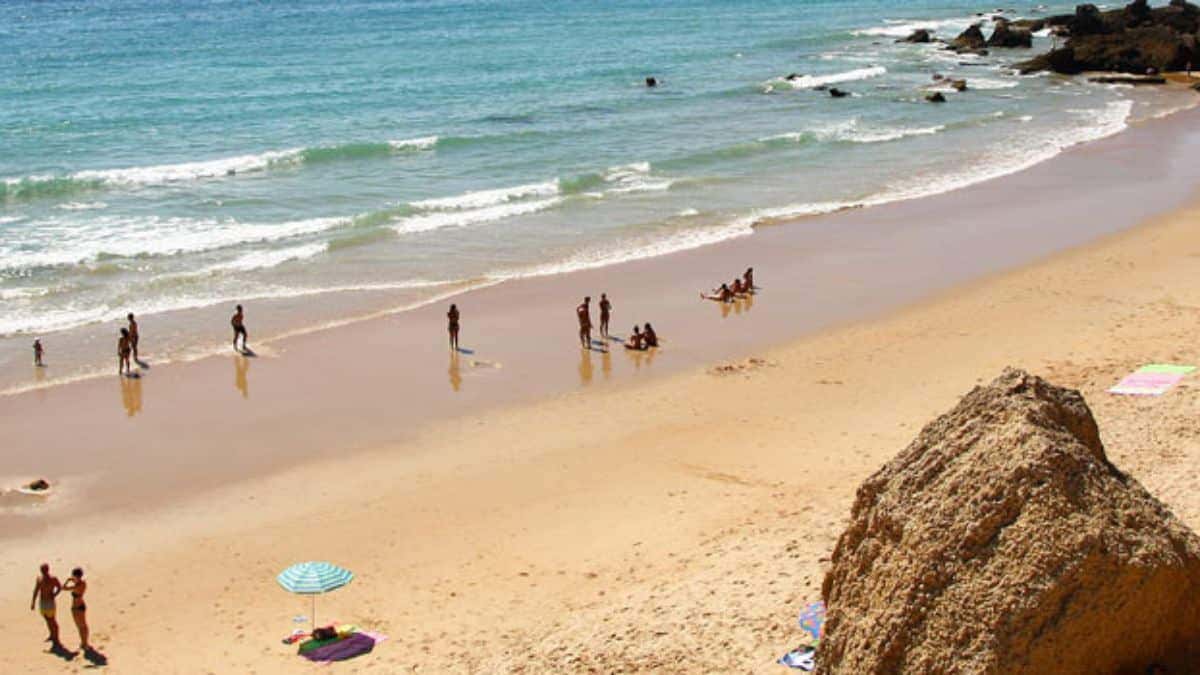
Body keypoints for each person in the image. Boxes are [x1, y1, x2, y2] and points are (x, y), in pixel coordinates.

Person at [30, 563, 61, 647]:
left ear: (48, 569)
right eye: (42, 570)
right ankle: (52, 635)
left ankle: (56, 638)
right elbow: (36, 590)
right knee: (47, 619)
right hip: (42, 602)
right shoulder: (39, 579)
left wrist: (54, 594)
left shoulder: (53, 578)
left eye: (44, 570)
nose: (43, 571)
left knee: (52, 620)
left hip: (50, 602)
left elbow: (59, 587)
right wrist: (33, 602)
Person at [61, 567, 89, 652]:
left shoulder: (78, 585)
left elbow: (64, 588)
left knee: (81, 626)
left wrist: (67, 580)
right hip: (79, 605)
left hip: (77, 607)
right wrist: (72, 580)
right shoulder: (82, 583)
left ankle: (84, 643)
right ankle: (84, 642)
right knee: (82, 626)